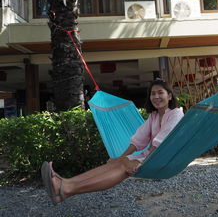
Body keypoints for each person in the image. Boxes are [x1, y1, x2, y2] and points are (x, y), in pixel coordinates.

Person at [41, 79, 184, 205]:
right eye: (153, 93)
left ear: (169, 96)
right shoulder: (154, 116)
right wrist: (120, 157)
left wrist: (141, 162)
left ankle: (67, 190)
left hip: (164, 159)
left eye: (160, 93)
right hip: (152, 156)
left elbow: (161, 142)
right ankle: (65, 184)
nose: (156, 97)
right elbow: (138, 140)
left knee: (124, 167)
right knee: (117, 163)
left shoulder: (176, 114)